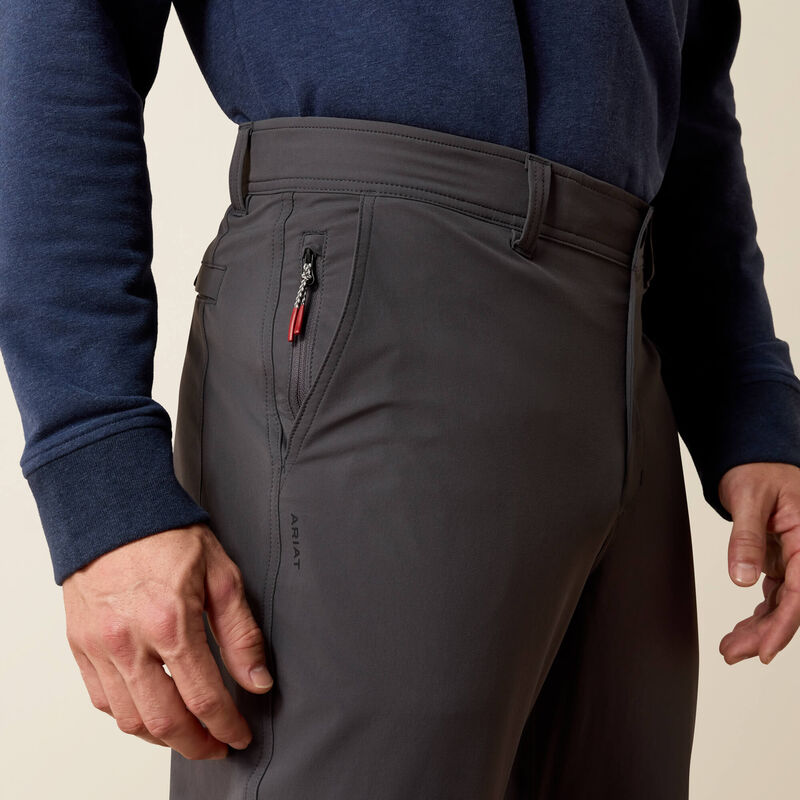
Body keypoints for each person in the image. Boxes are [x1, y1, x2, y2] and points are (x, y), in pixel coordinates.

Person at [1, 1, 799, 798]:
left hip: (628, 327)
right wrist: (98, 476)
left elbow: (688, 83)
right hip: (376, 307)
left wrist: (753, 408)